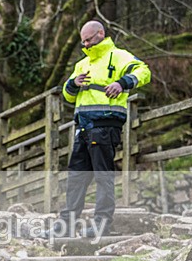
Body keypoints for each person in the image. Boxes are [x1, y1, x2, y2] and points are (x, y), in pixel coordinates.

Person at [47, 21, 151, 238]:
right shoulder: (81, 64)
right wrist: (74, 83)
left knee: (103, 176)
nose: (85, 44)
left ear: (101, 34)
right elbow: (68, 95)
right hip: (83, 127)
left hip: (105, 126)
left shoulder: (120, 56)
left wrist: (122, 83)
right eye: (82, 41)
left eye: (89, 39)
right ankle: (67, 225)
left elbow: (144, 72)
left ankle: (102, 224)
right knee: (76, 177)